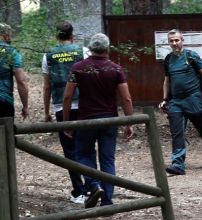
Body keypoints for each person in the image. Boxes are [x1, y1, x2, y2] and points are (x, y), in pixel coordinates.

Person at [63, 33, 134, 208]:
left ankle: (93, 185)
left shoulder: (78, 68)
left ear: (90, 48)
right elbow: (126, 99)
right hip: (109, 120)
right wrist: (129, 122)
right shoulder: (116, 69)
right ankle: (107, 200)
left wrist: (66, 122)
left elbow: (67, 96)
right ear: (107, 48)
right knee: (107, 159)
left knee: (83, 154)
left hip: (86, 120)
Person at [159, 29, 202, 176]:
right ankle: (178, 164)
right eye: (171, 41)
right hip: (176, 101)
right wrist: (164, 99)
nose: (174, 43)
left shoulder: (191, 56)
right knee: (177, 132)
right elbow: (166, 81)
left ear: (182, 40)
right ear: (169, 42)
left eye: (177, 40)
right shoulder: (168, 59)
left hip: (193, 99)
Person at [42, 21, 90, 204]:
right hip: (84, 106)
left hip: (62, 107)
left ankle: (79, 191)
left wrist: (47, 112)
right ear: (72, 35)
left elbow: (47, 87)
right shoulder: (83, 52)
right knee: (86, 148)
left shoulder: (48, 56)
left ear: (56, 35)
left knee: (70, 151)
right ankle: (92, 185)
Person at [0, 23, 29, 119]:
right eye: (9, 36)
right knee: (6, 132)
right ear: (5, 36)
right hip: (3, 100)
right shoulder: (12, 52)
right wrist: (25, 106)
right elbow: (21, 82)